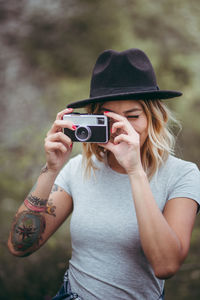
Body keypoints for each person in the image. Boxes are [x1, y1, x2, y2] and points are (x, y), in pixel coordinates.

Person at [8, 48, 200, 300]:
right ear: (94, 121)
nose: (122, 127)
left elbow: (166, 265)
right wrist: (51, 169)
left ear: (154, 118)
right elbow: (19, 246)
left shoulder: (183, 175)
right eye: (110, 119)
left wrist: (135, 170)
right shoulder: (78, 169)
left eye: (133, 116)